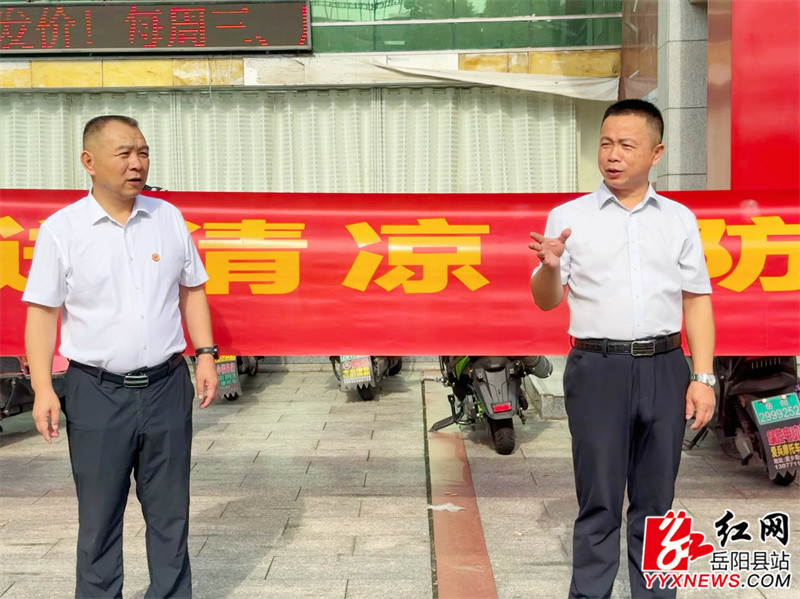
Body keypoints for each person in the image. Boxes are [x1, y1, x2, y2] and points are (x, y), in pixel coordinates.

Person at [23, 115, 219, 598]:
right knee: (99, 519)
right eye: (124, 153)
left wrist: (206, 355)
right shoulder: (62, 230)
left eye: (143, 152)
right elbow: (43, 313)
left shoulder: (167, 218)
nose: (137, 164)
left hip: (166, 386)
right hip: (96, 392)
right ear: (89, 162)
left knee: (170, 514)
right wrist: (43, 388)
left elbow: (192, 289)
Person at [529, 99, 715, 598]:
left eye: (627, 145)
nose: (612, 155)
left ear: (656, 153)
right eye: (606, 143)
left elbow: (697, 300)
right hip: (597, 369)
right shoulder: (569, 217)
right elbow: (546, 300)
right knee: (599, 501)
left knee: (658, 504)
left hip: (665, 367)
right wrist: (549, 266)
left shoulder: (678, 219)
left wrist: (703, 377)